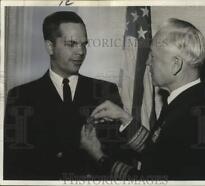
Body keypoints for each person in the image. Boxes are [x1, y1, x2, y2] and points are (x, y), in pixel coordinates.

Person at [80, 18, 205, 180]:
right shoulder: (185, 103)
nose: (146, 62)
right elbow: (159, 152)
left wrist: (99, 157)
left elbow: (148, 179)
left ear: (176, 65)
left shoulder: (187, 117)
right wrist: (125, 118)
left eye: (152, 56)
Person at [4, 11, 123, 180]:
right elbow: (12, 167)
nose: (81, 51)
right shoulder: (21, 96)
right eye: (72, 44)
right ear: (50, 47)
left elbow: (120, 155)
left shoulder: (106, 91)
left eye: (84, 44)